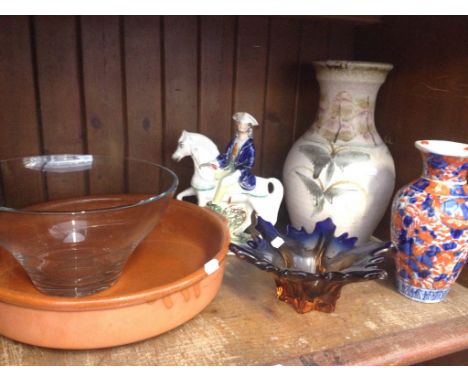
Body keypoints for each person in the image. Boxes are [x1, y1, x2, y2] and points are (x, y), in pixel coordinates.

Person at [204, 112, 259, 210]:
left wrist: (240, 170)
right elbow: (226, 155)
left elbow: (250, 163)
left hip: (240, 172)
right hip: (228, 167)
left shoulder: (250, 145)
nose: (241, 126)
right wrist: (215, 162)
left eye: (244, 124)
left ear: (248, 128)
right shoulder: (234, 140)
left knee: (225, 181)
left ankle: (215, 205)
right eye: (239, 123)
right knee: (212, 174)